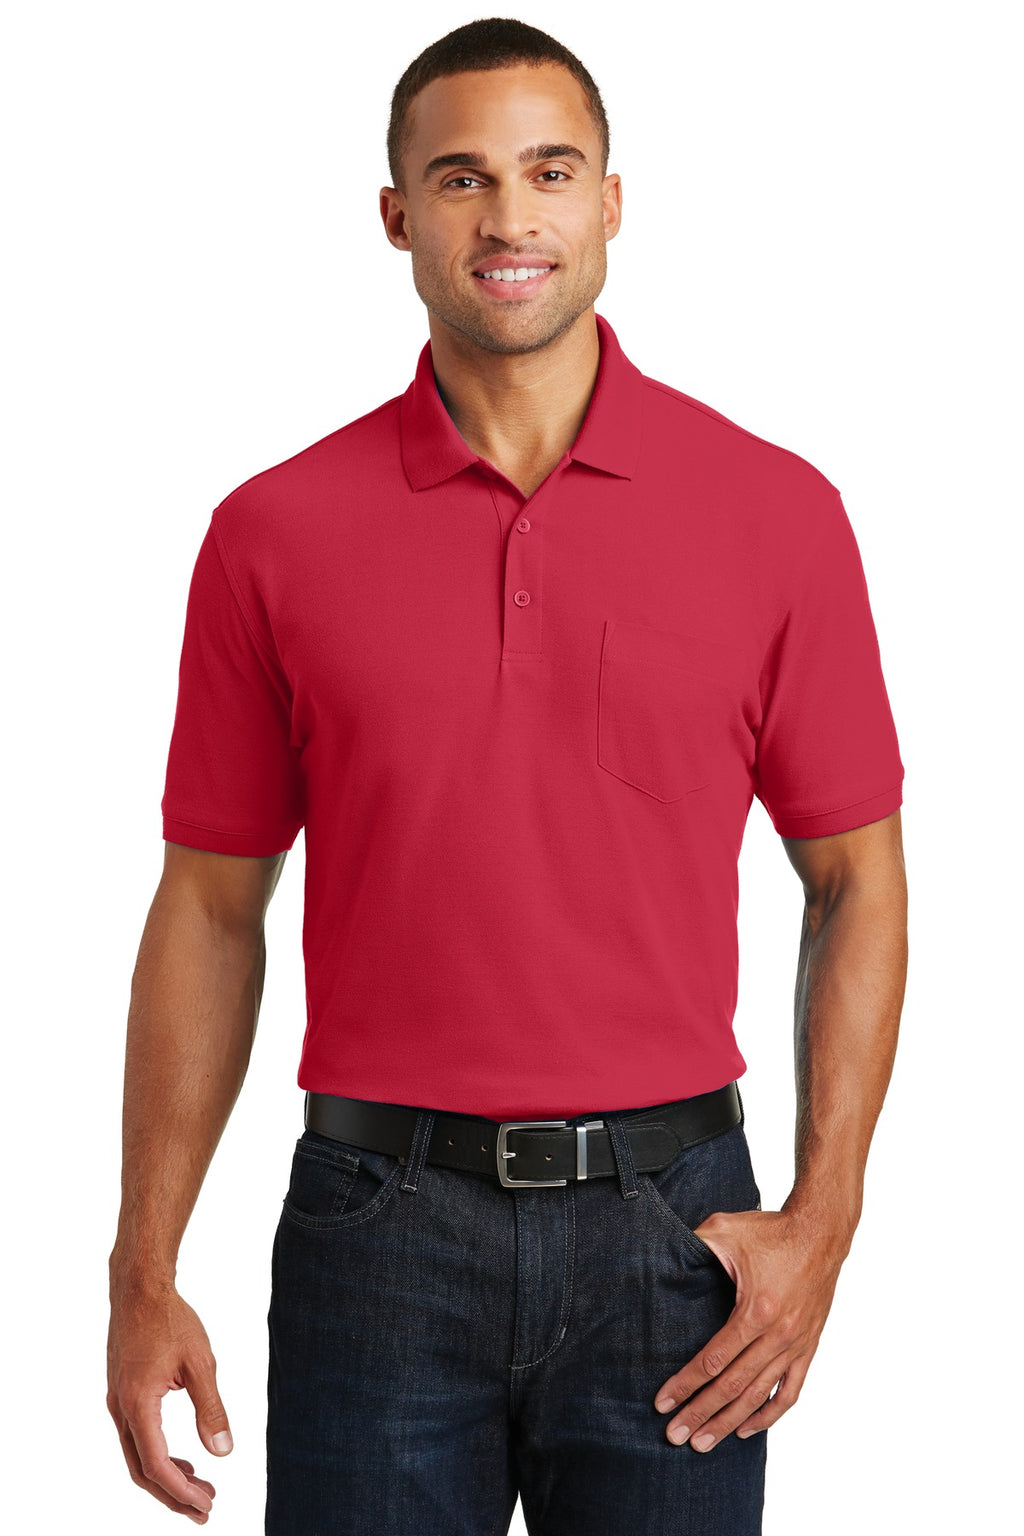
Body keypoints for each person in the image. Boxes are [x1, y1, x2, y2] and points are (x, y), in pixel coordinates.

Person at [106, 17, 908, 1536]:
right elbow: (209, 909)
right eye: (461, 177)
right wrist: (141, 1270)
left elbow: (858, 878)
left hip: (678, 1234)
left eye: (550, 170)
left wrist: (827, 1218)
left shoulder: (777, 513)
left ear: (612, 201)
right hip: (376, 1234)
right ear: (396, 214)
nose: (509, 217)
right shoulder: (273, 534)